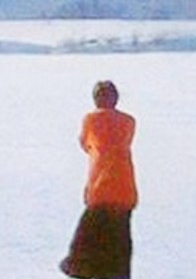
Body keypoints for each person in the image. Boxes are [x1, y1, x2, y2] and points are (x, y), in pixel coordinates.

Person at [60, 80, 138, 279]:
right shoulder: (129, 121)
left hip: (101, 190)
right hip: (125, 192)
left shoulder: (91, 120)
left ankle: (87, 270)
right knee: (119, 243)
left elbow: (85, 143)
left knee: (84, 246)